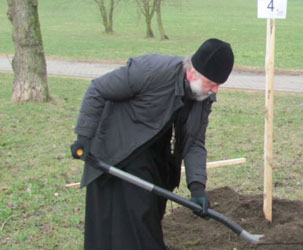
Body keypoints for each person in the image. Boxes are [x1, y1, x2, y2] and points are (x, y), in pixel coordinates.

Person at [69, 38, 234, 249]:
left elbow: (194, 143)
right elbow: (98, 89)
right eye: (212, 84)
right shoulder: (150, 70)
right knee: (129, 226)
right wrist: (83, 136)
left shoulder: (202, 98)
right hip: (117, 152)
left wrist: (197, 189)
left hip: (154, 155)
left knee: (148, 217)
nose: (215, 91)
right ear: (193, 73)